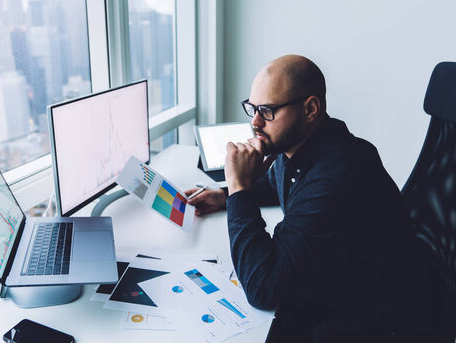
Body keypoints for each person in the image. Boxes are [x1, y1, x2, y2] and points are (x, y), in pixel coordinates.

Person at [185, 55, 435, 342]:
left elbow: (263, 289)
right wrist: (225, 195)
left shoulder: (339, 174)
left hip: (372, 320)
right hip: (338, 281)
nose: (255, 122)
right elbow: (276, 181)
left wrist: (241, 188)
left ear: (311, 109)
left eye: (267, 111)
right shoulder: (301, 144)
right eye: (252, 108)